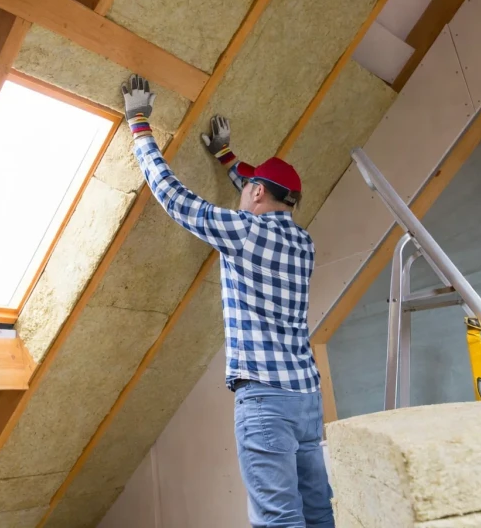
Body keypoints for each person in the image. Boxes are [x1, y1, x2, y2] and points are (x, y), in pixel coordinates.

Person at [123, 75, 334, 528]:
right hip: (306, 398)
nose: (242, 197)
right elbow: (259, 189)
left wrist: (139, 126)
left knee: (278, 520)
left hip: (265, 400)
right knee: (316, 514)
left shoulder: (245, 232)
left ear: (257, 194)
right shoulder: (303, 241)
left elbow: (177, 200)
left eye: (247, 191)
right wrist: (227, 158)